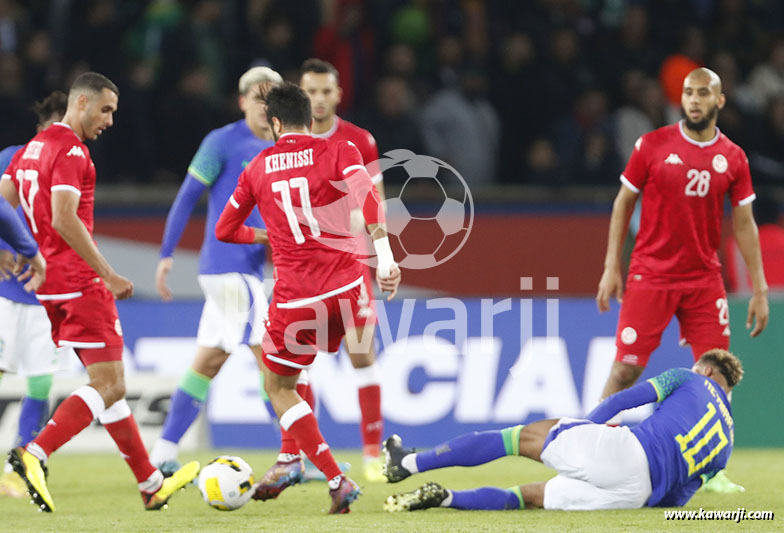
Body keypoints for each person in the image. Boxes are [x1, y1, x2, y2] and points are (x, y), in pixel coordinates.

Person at [0, 72, 198, 513]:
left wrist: (15, 249)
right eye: (105, 110)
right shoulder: (72, 150)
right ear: (81, 102)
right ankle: (35, 452)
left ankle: (150, 483)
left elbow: (4, 201)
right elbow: (64, 217)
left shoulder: (31, 149)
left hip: (49, 287)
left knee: (105, 386)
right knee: (111, 384)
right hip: (79, 283)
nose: (109, 120)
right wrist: (107, 273)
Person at [215, 82, 401, 514]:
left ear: (275, 123)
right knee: (310, 371)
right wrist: (386, 259)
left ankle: (334, 477)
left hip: (296, 296)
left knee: (278, 384)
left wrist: (264, 235)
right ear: (308, 117)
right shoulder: (340, 149)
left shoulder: (257, 167)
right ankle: (289, 459)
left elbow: (225, 229)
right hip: (347, 288)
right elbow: (370, 200)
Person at [595, 68, 767, 494]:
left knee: (717, 375)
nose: (693, 100)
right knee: (625, 370)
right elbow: (623, 203)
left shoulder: (734, 157)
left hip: (704, 279)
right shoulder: (652, 145)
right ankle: (591, 444)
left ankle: (711, 469)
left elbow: (744, 223)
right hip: (651, 274)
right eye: (689, 92)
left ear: (719, 101)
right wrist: (612, 266)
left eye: (703, 93)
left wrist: (759, 288)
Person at [383, 349, 742, 512]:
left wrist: (586, 426)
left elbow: (624, 399)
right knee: (531, 497)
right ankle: (446, 498)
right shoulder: (727, 443)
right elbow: (679, 497)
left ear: (707, 371)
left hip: (626, 452)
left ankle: (407, 464)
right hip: (637, 494)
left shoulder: (689, 378)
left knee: (517, 439)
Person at [148, 66, 283, 472]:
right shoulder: (221, 142)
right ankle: (297, 456)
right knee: (274, 361)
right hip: (229, 268)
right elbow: (187, 196)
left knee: (207, 362)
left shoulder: (283, 147)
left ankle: (162, 454)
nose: (265, 107)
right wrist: (166, 253)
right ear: (242, 101)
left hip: (243, 271)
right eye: (257, 98)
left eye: (272, 99)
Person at [292, 57, 388, 482]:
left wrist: (380, 251)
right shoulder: (288, 141)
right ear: (301, 94)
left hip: (349, 264)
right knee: (298, 360)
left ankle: (372, 454)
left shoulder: (359, 141)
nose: (318, 99)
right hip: (302, 267)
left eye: (325, 91)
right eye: (311, 91)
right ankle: (305, 454)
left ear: (338, 94)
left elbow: (374, 199)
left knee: (362, 352)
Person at [0, 91, 68, 498]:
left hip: (45, 295)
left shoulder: (71, 164)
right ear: (42, 128)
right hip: (5, 291)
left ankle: (20, 467)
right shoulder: (11, 157)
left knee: (41, 383)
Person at [725, 194, 784, 292]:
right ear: (779, 217)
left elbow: (729, 281)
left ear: (752, 217)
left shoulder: (736, 245)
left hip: (747, 300)